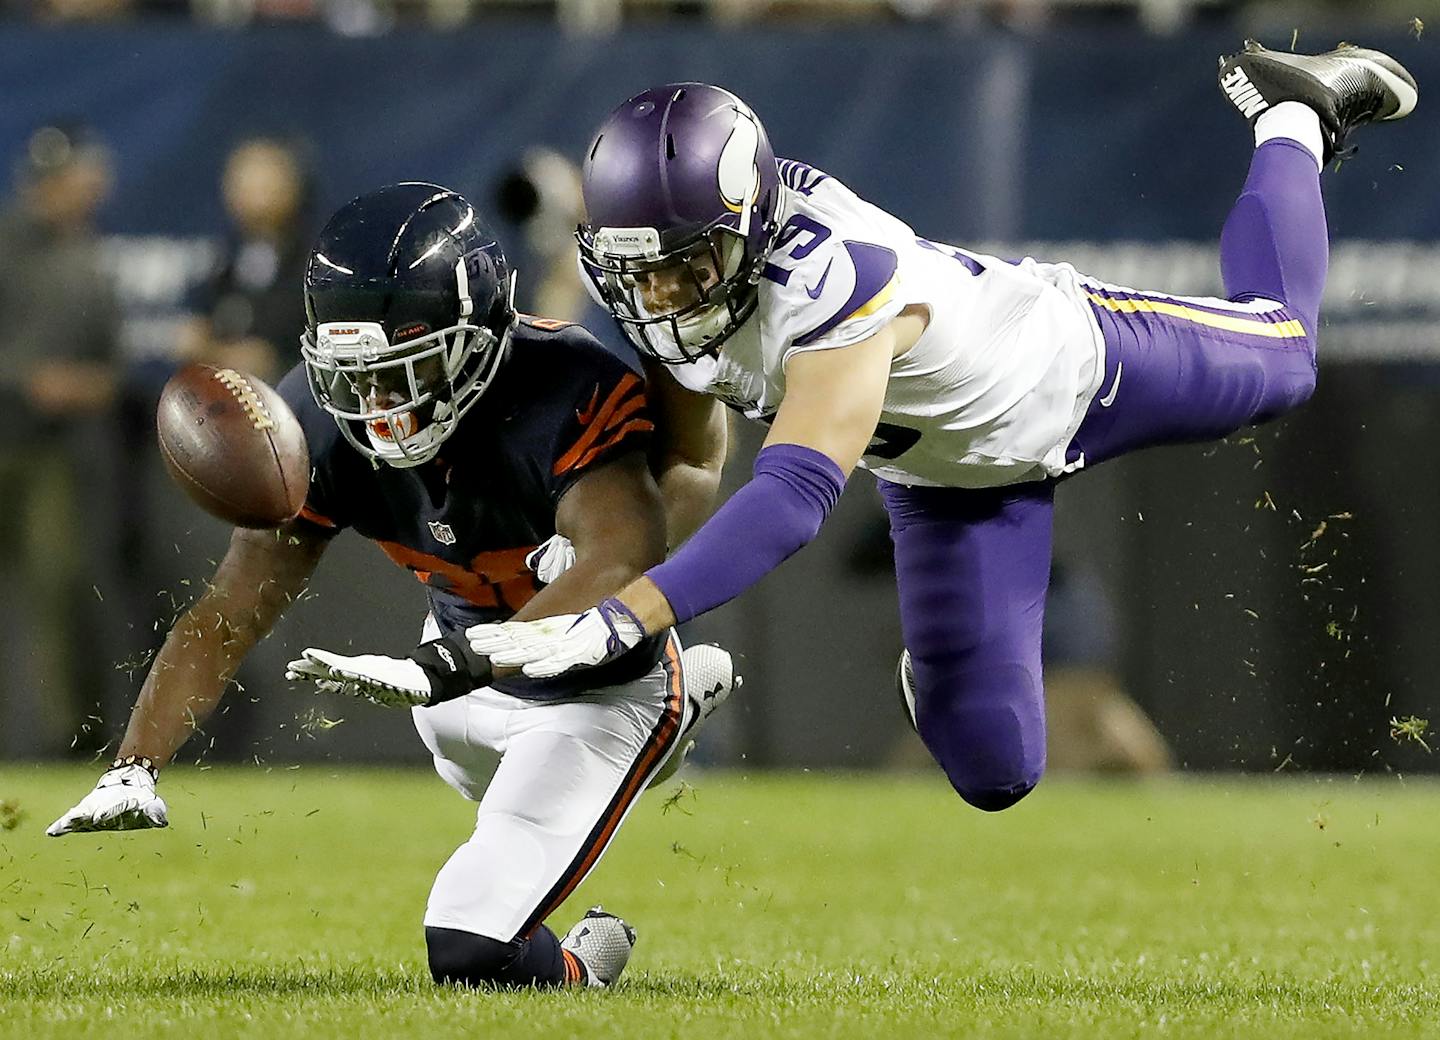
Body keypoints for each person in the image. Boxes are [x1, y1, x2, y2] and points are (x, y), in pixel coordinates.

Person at [457, 43, 1417, 810]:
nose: (661, 292)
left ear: (749, 226)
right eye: (642, 268)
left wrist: (631, 616)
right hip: (947, 479)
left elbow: (792, 499)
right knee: (996, 774)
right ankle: (954, 664)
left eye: (688, 262)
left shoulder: (835, 274)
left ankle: (1294, 111)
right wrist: (611, 577)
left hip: (1066, 368)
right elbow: (699, 458)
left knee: (1286, 358)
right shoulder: (648, 280)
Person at [47, 182, 735, 991]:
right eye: (356, 378)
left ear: (479, 339)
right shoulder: (319, 431)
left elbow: (621, 560)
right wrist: (135, 764)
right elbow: (228, 611)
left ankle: (595, 948)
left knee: (474, 952)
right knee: (496, 842)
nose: (381, 406)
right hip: (450, 694)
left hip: (591, 690)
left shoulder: (565, 386)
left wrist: (452, 665)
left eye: (408, 371)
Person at [0, 120, 121, 756]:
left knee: (60, 587)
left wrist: (98, 384)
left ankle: (64, 738)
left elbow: (109, 357)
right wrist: (26, 378)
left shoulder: (90, 257)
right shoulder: (4, 242)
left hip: (53, 451)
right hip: (5, 428)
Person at [177, 136, 317, 382]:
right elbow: (192, 333)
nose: (256, 197)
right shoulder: (222, 260)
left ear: (292, 186)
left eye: (265, 184)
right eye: (245, 184)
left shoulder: (312, 262)